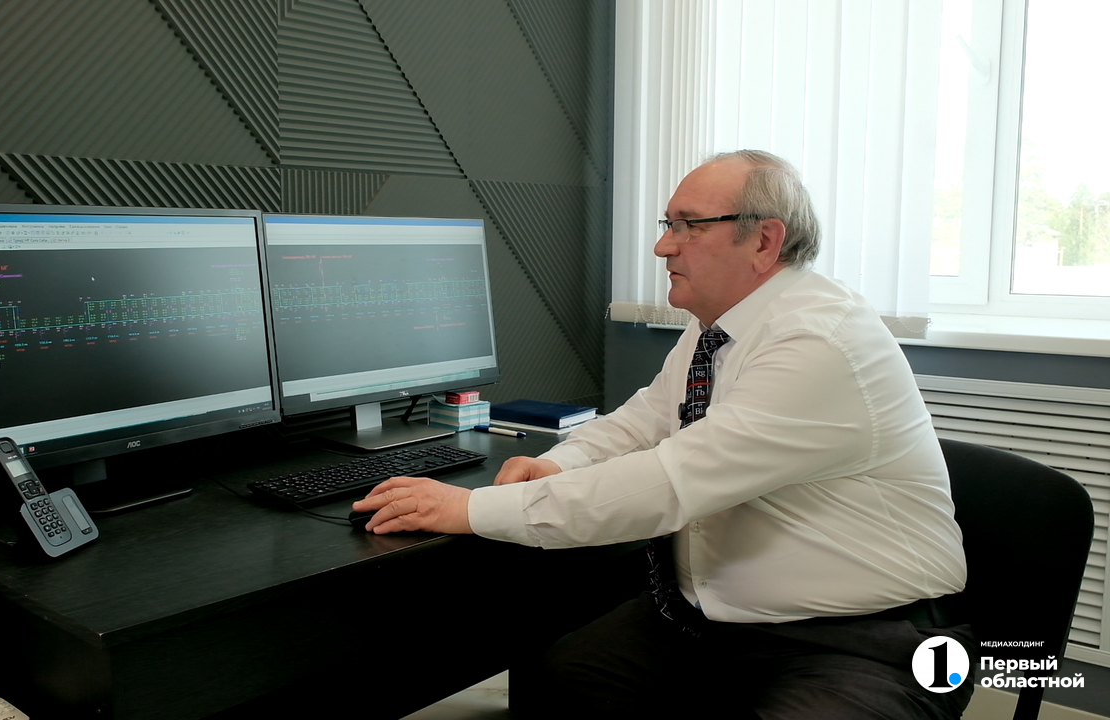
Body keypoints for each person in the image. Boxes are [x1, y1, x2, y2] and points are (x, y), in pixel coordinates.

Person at [353, 150, 972, 718]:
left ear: (764, 240)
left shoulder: (820, 340)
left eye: (687, 226)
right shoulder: (720, 326)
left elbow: (671, 481)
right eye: (667, 223)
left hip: (863, 639)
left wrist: (470, 508)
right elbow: (647, 418)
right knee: (557, 684)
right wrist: (562, 463)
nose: (661, 246)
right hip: (708, 622)